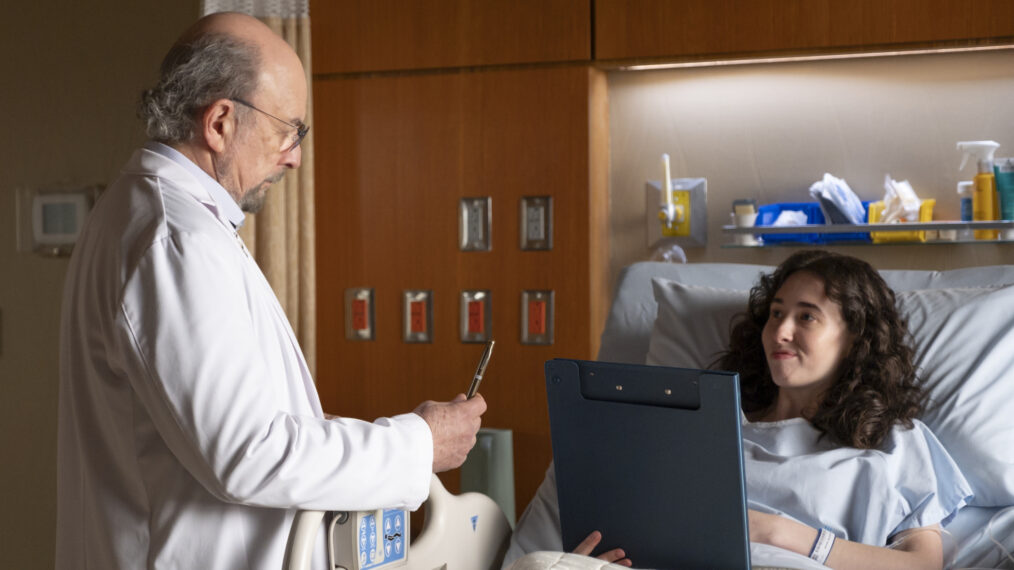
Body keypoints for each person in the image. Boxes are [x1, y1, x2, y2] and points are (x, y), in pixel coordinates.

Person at [56, 12, 486, 569]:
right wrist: (419, 445)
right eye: (289, 130)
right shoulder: (176, 240)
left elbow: (226, 425)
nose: (295, 155)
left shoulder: (163, 220)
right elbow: (247, 453)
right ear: (220, 123)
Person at [505, 250, 970, 570]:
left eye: (806, 316)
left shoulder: (890, 439)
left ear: (855, 338)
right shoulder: (698, 422)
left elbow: (920, 563)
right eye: (775, 313)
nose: (780, 331)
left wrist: (783, 535)